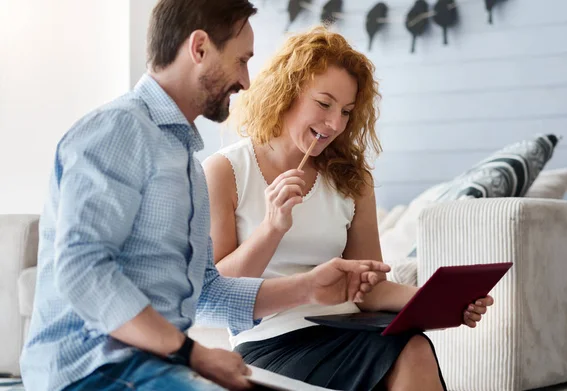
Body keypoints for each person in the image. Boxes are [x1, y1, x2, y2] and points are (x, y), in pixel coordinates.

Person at [19, 2, 391, 391]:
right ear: (199, 49)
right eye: (241, 60)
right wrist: (192, 354)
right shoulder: (118, 131)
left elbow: (206, 293)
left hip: (158, 367)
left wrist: (308, 287)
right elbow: (83, 270)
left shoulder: (185, 163)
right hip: (90, 369)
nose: (247, 82)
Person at [203, 26, 494, 391]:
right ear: (286, 92)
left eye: (346, 111)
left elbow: (370, 290)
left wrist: (445, 302)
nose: (335, 124)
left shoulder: (352, 180)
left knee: (415, 345)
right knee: (409, 352)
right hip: (270, 342)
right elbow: (216, 292)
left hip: (347, 326)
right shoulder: (226, 171)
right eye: (324, 104)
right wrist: (272, 227)